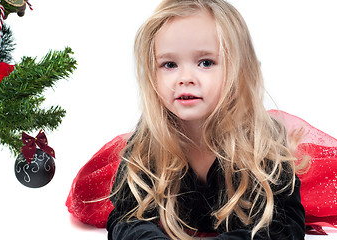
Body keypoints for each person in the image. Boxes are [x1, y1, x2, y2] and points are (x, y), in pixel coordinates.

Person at [105, 0, 306, 239]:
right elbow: (126, 216)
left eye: (206, 63)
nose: (185, 78)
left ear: (238, 69)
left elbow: (284, 224)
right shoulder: (149, 141)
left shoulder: (261, 142)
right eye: (169, 64)